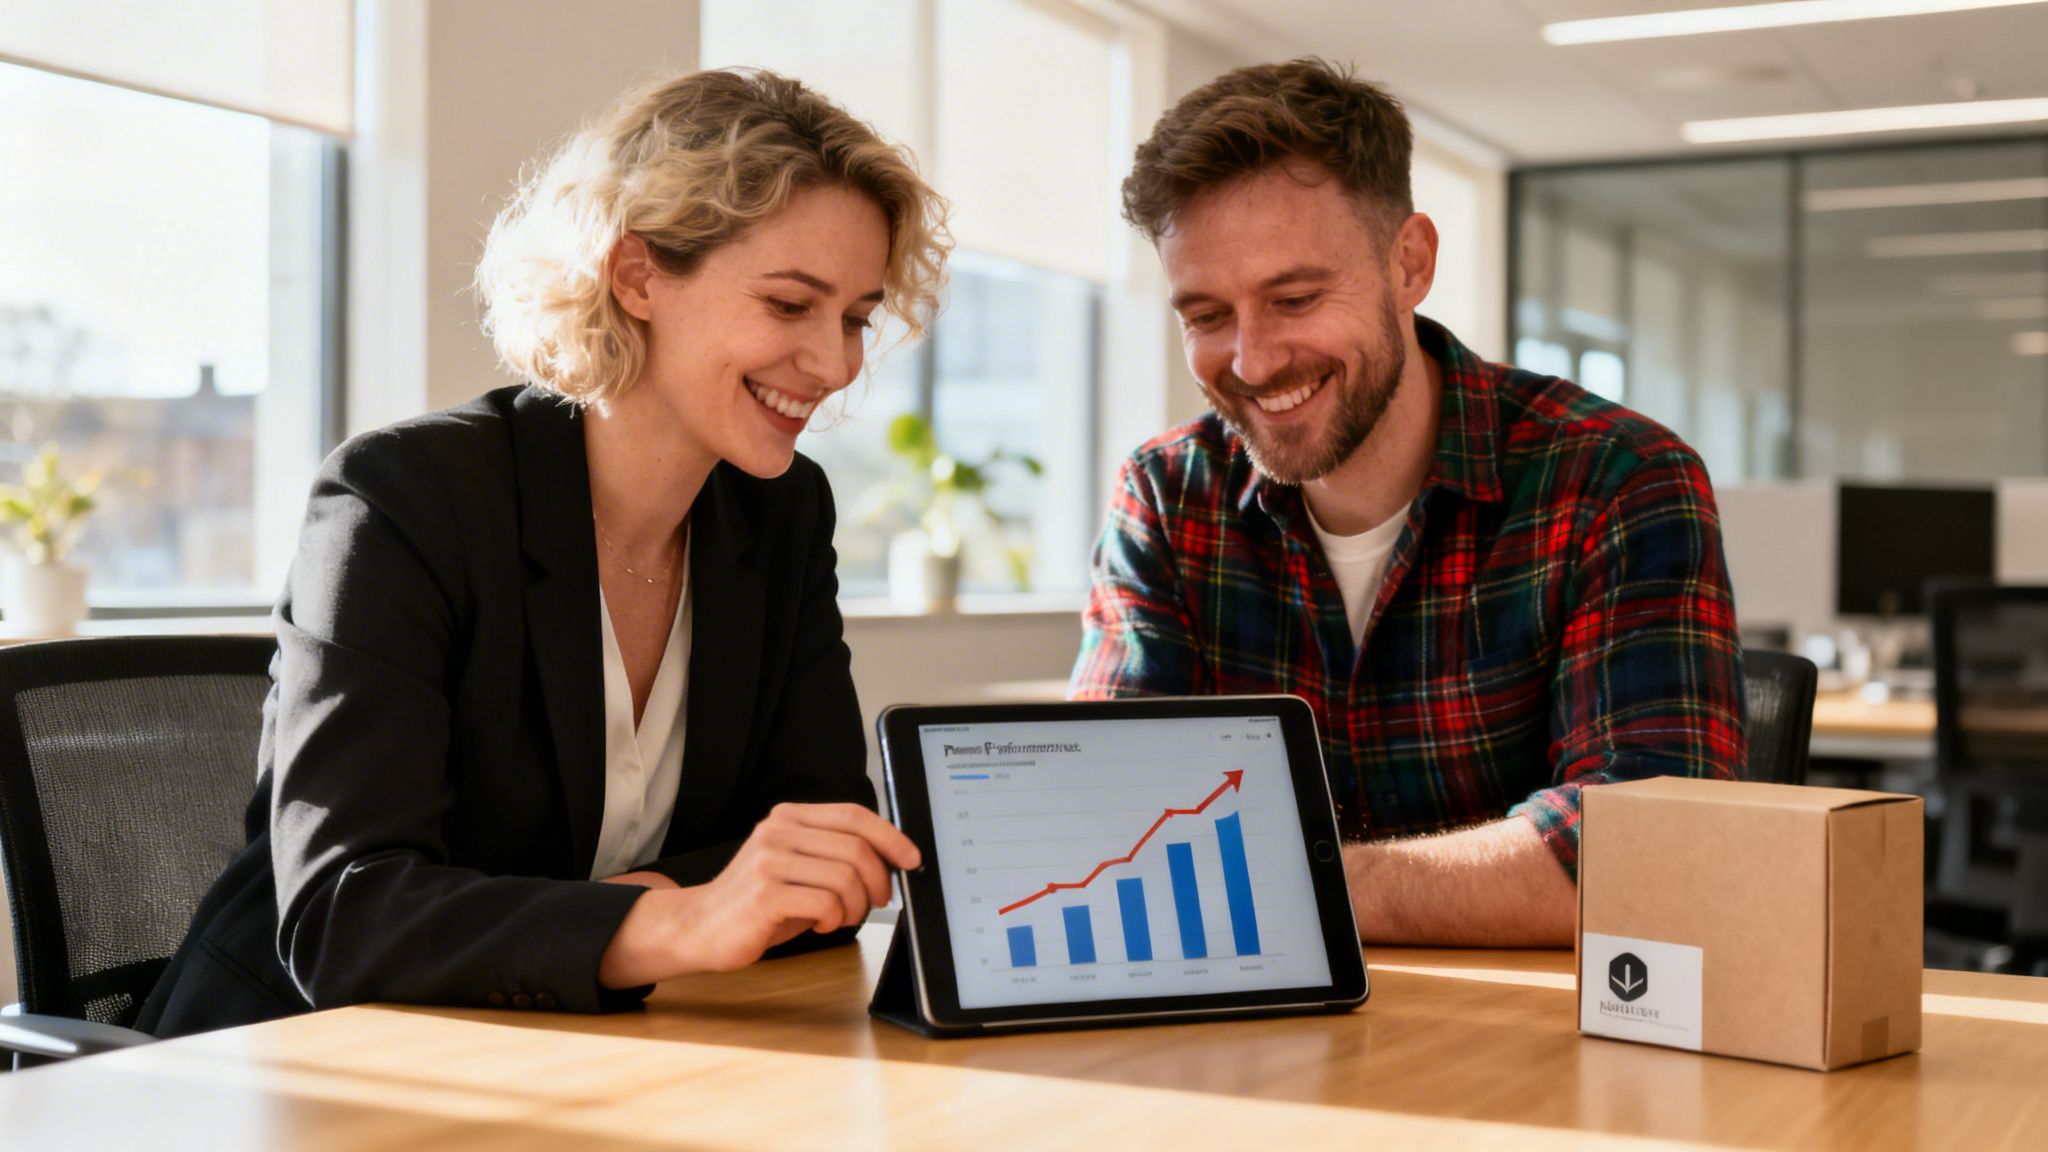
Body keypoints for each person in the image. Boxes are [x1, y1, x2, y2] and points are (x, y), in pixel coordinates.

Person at [138, 69, 946, 1036]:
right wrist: (676, 914)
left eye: (855, 317)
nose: (837, 364)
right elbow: (347, 914)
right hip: (287, 1066)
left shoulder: (778, 514)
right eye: (788, 305)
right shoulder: (406, 498)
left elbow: (825, 856)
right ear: (638, 275)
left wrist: (649, 913)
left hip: (576, 1050)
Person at [1070, 59, 1743, 947]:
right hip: (1252, 1046)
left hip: (1538, 1051)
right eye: (1205, 315)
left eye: (1296, 297)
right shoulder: (1167, 495)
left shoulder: (1616, 478)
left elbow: (1655, 854)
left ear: (1409, 264)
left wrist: (1301, 879)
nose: (1254, 359)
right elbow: (1102, 818)